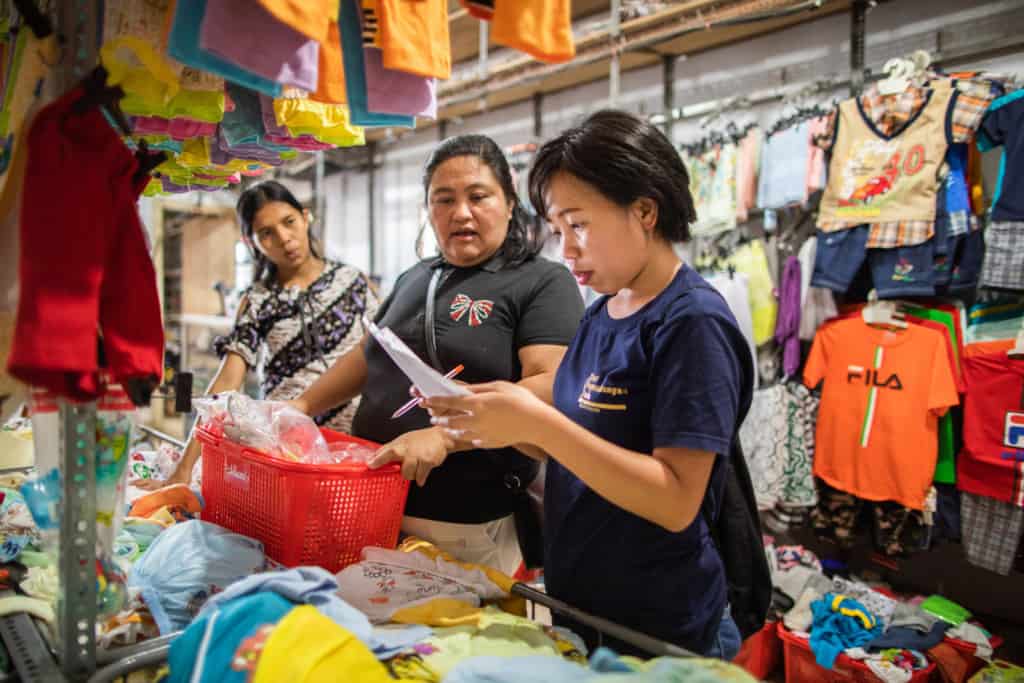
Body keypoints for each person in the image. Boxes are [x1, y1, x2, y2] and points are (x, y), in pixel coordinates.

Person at [422, 110, 754, 660]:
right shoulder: (604, 312)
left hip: (660, 632)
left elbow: (675, 499)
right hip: (587, 610)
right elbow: (576, 437)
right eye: (557, 231)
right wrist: (501, 423)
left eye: (578, 225)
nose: (567, 249)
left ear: (645, 209)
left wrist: (539, 426)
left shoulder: (691, 323)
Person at [291, 134, 584, 575]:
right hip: (377, 506)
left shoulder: (541, 282)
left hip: (469, 524)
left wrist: (447, 434)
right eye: (443, 200)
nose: (460, 212)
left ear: (509, 202)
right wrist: (301, 406)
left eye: (478, 196)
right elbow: (370, 353)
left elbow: (547, 385)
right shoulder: (417, 277)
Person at [138, 180, 378, 489]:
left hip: (352, 449)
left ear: (306, 217)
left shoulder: (353, 282)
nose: (284, 239)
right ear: (252, 243)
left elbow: (381, 350)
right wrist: (183, 470)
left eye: (289, 222)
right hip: (287, 455)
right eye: (267, 233)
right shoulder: (258, 301)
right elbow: (227, 382)